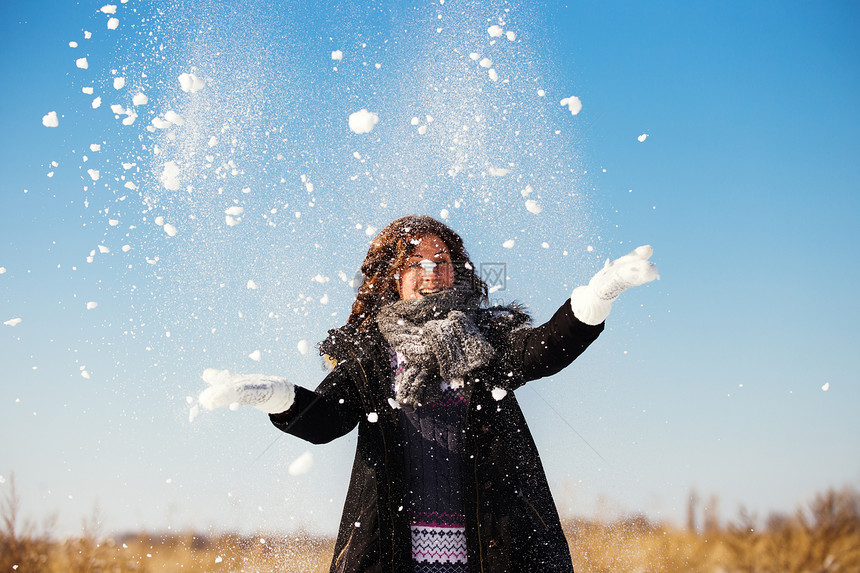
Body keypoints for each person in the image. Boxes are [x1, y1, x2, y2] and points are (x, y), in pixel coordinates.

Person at [198, 215, 659, 573]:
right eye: (415, 263)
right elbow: (325, 421)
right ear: (393, 277)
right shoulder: (371, 355)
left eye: (441, 261)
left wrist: (599, 294)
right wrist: (274, 395)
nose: (431, 271)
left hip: (492, 551)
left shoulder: (485, 342)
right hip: (393, 552)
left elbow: (544, 349)